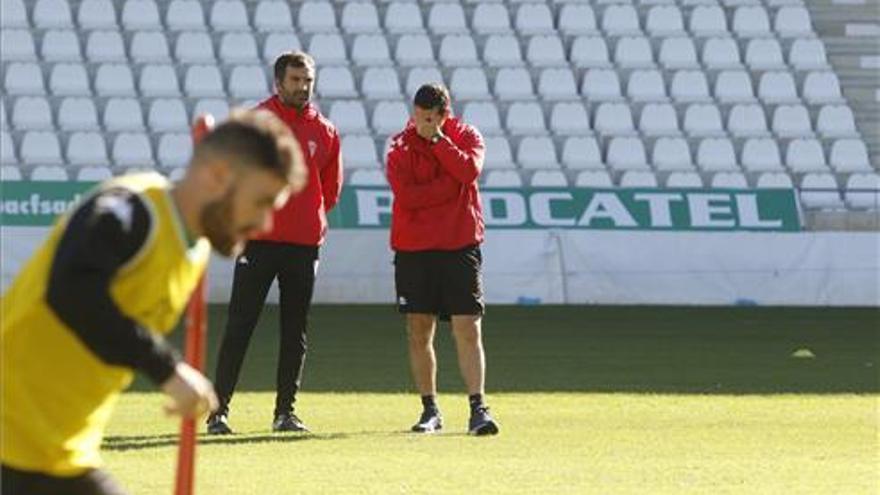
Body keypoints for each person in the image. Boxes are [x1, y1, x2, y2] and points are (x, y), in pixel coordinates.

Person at [0, 109, 307, 495]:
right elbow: (71, 289)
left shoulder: (192, 251)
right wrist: (167, 369)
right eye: (261, 202)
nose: (264, 224)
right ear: (218, 176)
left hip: (58, 450)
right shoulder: (131, 209)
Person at [207, 51, 343, 435]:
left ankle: (286, 412)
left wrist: (306, 217)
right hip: (259, 242)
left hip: (303, 246)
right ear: (278, 82)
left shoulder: (326, 131)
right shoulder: (257, 124)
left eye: (308, 81)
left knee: (294, 331)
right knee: (240, 326)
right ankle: (218, 412)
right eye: (295, 80)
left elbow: (329, 189)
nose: (302, 87)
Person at [385, 83, 499, 436]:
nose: (421, 124)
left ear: (444, 115)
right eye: (418, 117)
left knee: (468, 327)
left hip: (458, 245)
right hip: (414, 248)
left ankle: (478, 407)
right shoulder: (400, 144)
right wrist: (448, 189)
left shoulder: (467, 136)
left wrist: (438, 142)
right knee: (419, 329)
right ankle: (429, 408)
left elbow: (468, 172)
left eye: (430, 119)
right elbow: (407, 195)